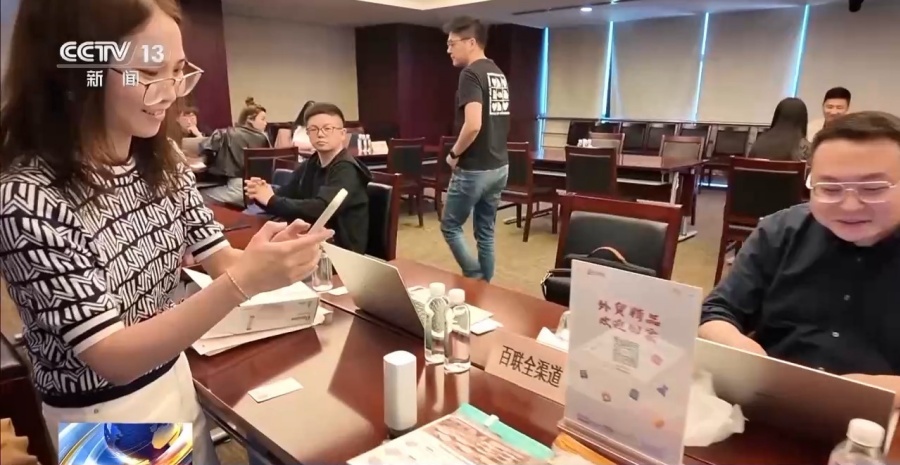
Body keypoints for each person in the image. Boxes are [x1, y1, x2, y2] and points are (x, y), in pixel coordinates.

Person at [0, 2, 333, 464]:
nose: (171, 92)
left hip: (172, 377)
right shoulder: (28, 196)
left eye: (178, 72)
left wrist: (265, 260)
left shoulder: (162, 160)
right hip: (104, 416)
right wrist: (244, 282)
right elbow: (112, 356)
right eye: (148, 72)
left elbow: (220, 259)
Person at [700, 111, 900, 408]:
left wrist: (884, 391)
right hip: (770, 402)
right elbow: (716, 311)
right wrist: (746, 356)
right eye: (829, 189)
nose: (849, 205)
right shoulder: (781, 231)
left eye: (872, 188)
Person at [246, 103, 373, 253]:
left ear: (342, 134)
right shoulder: (312, 163)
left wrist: (271, 200)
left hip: (340, 250)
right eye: (313, 129)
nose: (320, 134)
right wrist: (262, 193)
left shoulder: (346, 169)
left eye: (327, 128)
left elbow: (321, 209)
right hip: (312, 239)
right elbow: (287, 194)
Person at [440, 16, 510, 282]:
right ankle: (487, 289)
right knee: (486, 232)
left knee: (450, 226)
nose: (448, 50)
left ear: (471, 42)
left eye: (452, 44)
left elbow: (473, 125)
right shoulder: (497, 73)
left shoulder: (470, 74)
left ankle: (475, 277)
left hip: (475, 167)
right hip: (499, 165)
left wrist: (453, 154)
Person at [199, 97, 271, 206]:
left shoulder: (224, 134)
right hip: (261, 189)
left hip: (240, 189)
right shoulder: (263, 138)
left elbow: (206, 153)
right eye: (263, 119)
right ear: (250, 119)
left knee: (197, 195)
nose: (266, 123)